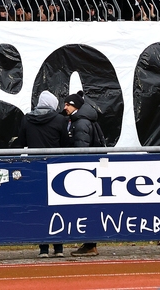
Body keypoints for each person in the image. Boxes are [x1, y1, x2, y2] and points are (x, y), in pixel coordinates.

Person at [18, 91, 70, 258]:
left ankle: (43, 249)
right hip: (56, 168)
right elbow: (66, 144)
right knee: (58, 206)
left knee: (40, 207)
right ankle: (59, 247)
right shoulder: (60, 120)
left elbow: (21, 143)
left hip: (35, 168)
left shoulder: (27, 118)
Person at [64, 91, 100, 257]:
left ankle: (90, 244)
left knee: (86, 207)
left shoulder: (81, 123)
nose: (65, 107)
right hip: (89, 170)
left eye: (68, 104)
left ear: (76, 106)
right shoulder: (82, 120)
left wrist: (78, 170)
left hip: (84, 171)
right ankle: (89, 243)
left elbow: (81, 149)